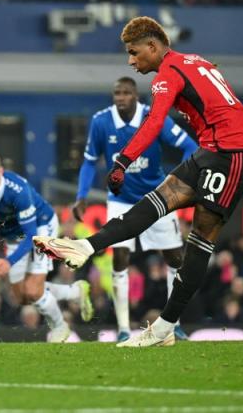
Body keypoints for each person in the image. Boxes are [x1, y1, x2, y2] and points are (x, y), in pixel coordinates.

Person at [33, 16, 243, 347]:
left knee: (200, 240)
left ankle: (165, 326)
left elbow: (155, 121)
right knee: (155, 201)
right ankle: (86, 246)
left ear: (153, 46)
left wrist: (122, 160)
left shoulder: (167, 75)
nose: (130, 61)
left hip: (232, 155)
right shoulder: (191, 60)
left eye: (134, 52)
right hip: (213, 151)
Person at [72, 77, 197, 341]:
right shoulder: (101, 121)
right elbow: (89, 162)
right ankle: (124, 329)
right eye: (116, 92)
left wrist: (180, 180)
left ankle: (173, 323)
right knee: (119, 259)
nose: (120, 97)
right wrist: (81, 196)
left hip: (159, 198)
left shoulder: (155, 117)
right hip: (120, 200)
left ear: (135, 96)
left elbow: (190, 146)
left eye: (126, 93)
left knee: (174, 259)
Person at [0, 149, 93, 343]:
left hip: (41, 226)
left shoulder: (17, 192)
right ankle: (74, 291)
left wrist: (10, 261)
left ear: (0, 171)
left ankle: (60, 328)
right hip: (13, 235)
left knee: (34, 290)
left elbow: (31, 236)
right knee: (22, 297)